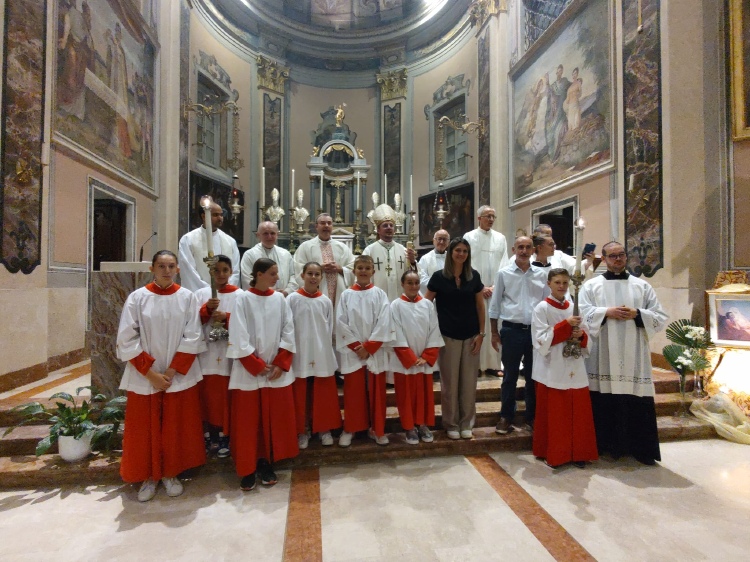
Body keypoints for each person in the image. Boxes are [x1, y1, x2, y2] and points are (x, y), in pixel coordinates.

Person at [116, 250, 207, 502]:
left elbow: (194, 335)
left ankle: (170, 473)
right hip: (146, 376)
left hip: (176, 374)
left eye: (171, 266)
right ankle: (148, 475)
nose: (166, 270)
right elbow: (126, 338)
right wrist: (151, 374)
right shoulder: (138, 298)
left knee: (174, 426)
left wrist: (172, 370)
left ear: (178, 269)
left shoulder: (187, 297)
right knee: (146, 427)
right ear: (152, 269)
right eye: (161, 266)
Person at [579, 241, 668, 465]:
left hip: (633, 352)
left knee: (635, 397)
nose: (617, 259)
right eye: (612, 256)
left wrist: (638, 313)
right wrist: (606, 312)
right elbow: (582, 312)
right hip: (604, 351)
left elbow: (659, 316)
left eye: (621, 255)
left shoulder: (641, 286)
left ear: (627, 257)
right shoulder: (591, 286)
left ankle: (641, 449)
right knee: (603, 397)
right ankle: (606, 445)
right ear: (605, 259)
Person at [226, 258, 298, 491]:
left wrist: (280, 362)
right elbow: (237, 333)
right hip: (250, 372)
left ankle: (266, 462)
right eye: (273, 273)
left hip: (275, 371)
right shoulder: (243, 299)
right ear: (259, 274)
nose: (277, 278)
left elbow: (289, 329)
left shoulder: (279, 299)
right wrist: (255, 364)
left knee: (272, 420)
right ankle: (248, 467)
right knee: (249, 423)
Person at [531, 268, 598, 468]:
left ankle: (579, 453)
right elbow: (540, 340)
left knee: (578, 413)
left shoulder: (575, 308)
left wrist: (581, 337)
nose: (561, 286)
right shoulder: (541, 308)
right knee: (555, 414)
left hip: (574, 366)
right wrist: (565, 326)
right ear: (549, 284)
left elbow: (588, 335)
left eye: (565, 283)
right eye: (557, 282)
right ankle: (555, 453)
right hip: (552, 366)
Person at [425, 238, 485, 440]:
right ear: (451, 253)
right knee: (449, 383)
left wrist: (481, 334)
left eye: (465, 251)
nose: (461, 254)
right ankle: (450, 423)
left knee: (469, 383)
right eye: (458, 250)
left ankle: (466, 423)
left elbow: (479, 306)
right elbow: (426, 304)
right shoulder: (439, 277)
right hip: (447, 336)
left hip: (471, 335)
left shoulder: (473, 276)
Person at [489, 236, 549, 434]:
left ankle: (532, 417)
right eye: (520, 247)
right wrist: (494, 333)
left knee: (533, 376)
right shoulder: (503, 274)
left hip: (535, 331)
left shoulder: (541, 275)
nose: (524, 251)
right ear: (514, 249)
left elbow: (546, 304)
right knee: (510, 376)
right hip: (511, 330)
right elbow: (495, 305)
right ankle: (506, 416)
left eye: (528, 247)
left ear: (534, 250)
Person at [336, 255, 393, 447]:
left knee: (376, 392)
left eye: (367, 268)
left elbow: (384, 321)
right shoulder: (346, 295)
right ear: (353, 271)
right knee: (353, 392)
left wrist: (368, 347)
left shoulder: (379, 294)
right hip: (353, 352)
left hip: (374, 351)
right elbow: (341, 323)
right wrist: (356, 347)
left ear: (373, 272)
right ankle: (351, 428)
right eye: (359, 268)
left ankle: (377, 429)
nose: (363, 271)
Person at [287, 262, 341, 448]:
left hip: (320, 351)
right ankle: (302, 430)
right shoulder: (292, 299)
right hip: (299, 352)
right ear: (302, 275)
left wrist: (325, 350)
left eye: (317, 274)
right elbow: (287, 327)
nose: (313, 277)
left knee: (322, 393)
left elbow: (329, 327)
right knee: (300, 393)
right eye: (309, 273)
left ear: (321, 277)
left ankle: (323, 428)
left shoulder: (325, 300)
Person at [194, 255, 240, 459]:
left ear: (231, 272)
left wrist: (227, 318)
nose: (220, 274)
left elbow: (246, 322)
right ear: (210, 272)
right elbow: (191, 321)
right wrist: (206, 310)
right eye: (216, 270)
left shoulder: (240, 295)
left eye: (225, 270)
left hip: (229, 353)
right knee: (208, 395)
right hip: (208, 352)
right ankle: (209, 433)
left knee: (225, 396)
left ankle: (226, 434)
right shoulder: (201, 294)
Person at [390, 270, 444, 444]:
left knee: (423, 395)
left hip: (423, 361)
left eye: (416, 283)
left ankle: (422, 424)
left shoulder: (427, 305)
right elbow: (395, 332)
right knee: (405, 395)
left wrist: (427, 356)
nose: (413, 286)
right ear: (402, 284)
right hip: (404, 362)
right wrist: (410, 357)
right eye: (409, 283)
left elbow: (434, 330)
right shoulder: (395, 306)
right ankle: (409, 428)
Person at [463, 206, 509, 376]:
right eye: (487, 216)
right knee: (476, 325)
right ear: (478, 218)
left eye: (493, 216)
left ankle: (495, 365)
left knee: (494, 325)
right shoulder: (469, 237)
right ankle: (476, 364)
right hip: (476, 290)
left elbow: (504, 263)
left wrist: (495, 286)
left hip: (495, 289)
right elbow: (467, 263)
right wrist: (480, 286)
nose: (490, 219)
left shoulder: (500, 238)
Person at [294, 213, 355, 309]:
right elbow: (298, 268)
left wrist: (340, 269)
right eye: (322, 223)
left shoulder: (342, 247)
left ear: (332, 226)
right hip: (315, 294)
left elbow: (353, 267)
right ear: (316, 226)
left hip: (338, 292)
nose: (326, 226)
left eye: (329, 223)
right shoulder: (306, 247)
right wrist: (318, 269)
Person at [178, 202, 240, 292]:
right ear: (204, 216)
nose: (220, 218)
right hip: (199, 294)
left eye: (221, 215)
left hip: (226, 295)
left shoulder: (230, 241)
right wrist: (207, 292)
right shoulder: (188, 239)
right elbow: (188, 271)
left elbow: (235, 270)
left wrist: (225, 289)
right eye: (215, 215)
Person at [362, 204, 417, 302]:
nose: (389, 228)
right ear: (378, 230)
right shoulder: (369, 251)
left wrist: (412, 262)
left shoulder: (403, 250)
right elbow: (363, 274)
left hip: (399, 300)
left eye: (391, 225)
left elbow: (413, 275)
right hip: (375, 300)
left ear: (394, 229)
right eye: (385, 225)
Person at [241, 221, 298, 294]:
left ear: (277, 234)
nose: (269, 237)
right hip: (259, 298)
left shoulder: (285, 254)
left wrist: (287, 291)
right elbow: (248, 279)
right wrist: (271, 293)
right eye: (265, 233)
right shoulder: (249, 255)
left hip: (284, 298)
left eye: (272, 233)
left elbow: (293, 276)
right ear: (258, 235)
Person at [544, 64, 571, 163]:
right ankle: (554, 156)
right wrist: (547, 82)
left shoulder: (564, 81)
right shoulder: (554, 85)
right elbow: (549, 92)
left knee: (559, 131)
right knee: (552, 132)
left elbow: (572, 86)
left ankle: (557, 154)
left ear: (562, 72)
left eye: (560, 71)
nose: (559, 73)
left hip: (561, 110)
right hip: (556, 110)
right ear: (556, 73)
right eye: (557, 71)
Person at [417, 229, 450, 295]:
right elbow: (421, 278)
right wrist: (438, 287)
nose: (441, 242)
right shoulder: (425, 259)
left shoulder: (451, 258)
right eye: (439, 239)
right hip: (432, 296)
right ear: (433, 241)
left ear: (448, 242)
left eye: (445, 239)